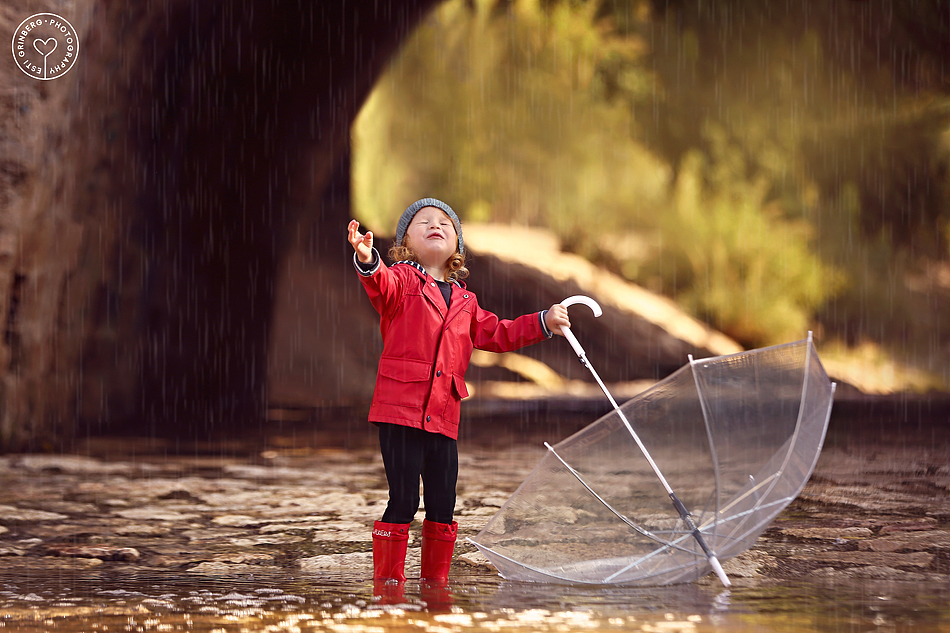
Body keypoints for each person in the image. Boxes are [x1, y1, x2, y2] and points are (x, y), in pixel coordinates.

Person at [347, 198, 570, 585]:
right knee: (403, 499)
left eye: (445, 224)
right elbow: (379, 284)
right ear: (405, 244)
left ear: (457, 247)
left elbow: (499, 333)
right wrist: (368, 260)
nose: (435, 225)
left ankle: (436, 587)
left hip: (444, 415)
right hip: (400, 410)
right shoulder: (401, 280)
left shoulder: (467, 301)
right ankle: (389, 588)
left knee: (443, 503)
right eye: (424, 222)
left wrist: (543, 322)